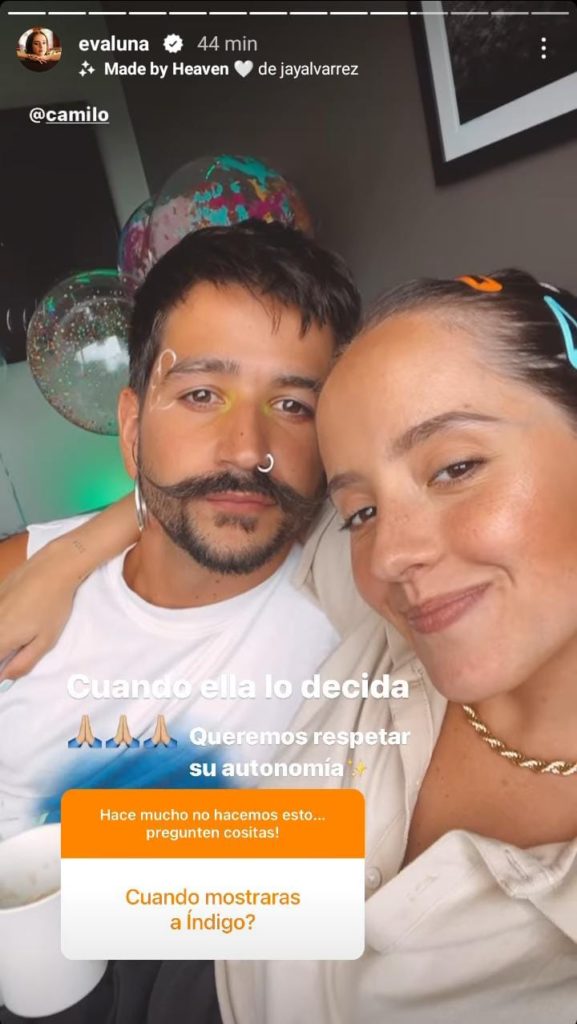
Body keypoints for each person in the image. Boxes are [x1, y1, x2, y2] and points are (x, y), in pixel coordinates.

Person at [2, 269, 576, 1023]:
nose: (390, 555)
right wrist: (64, 557)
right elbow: (216, 484)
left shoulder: (376, 590)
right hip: (196, 910)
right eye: (361, 510)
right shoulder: (372, 593)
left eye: (455, 468)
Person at [0, 217, 362, 844]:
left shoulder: (364, 593)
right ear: (132, 429)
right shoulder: (22, 574)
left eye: (292, 406)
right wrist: (70, 553)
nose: (247, 450)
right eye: (201, 395)